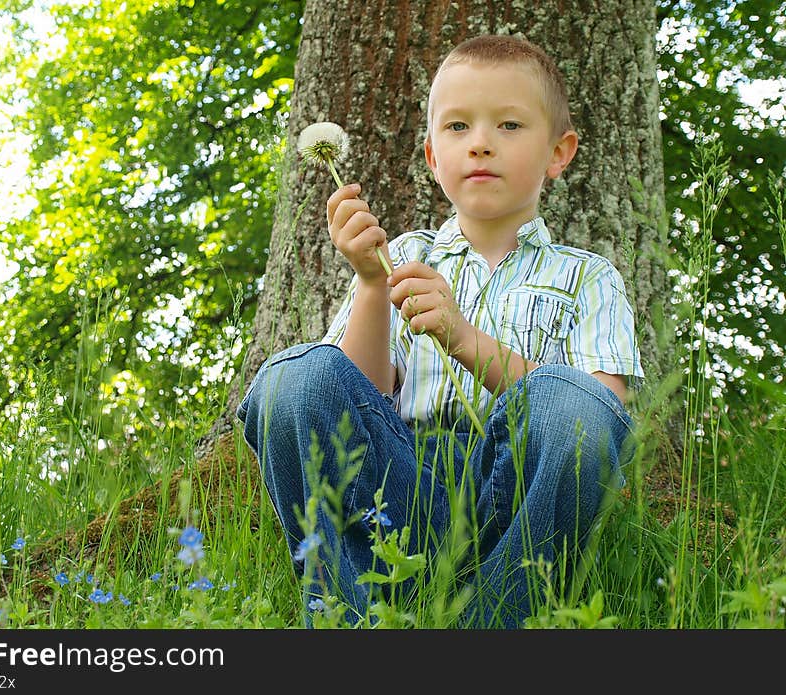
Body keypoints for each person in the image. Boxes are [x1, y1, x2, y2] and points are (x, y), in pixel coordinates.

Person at [237, 34, 644, 628]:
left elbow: (604, 416)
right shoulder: (404, 256)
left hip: (520, 503)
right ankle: (355, 620)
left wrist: (465, 339)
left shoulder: (588, 277)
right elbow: (350, 395)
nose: (480, 143)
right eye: (457, 128)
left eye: (508, 125)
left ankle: (493, 624)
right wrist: (375, 287)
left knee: (575, 406)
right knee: (297, 381)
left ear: (559, 152)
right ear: (432, 157)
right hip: (398, 488)